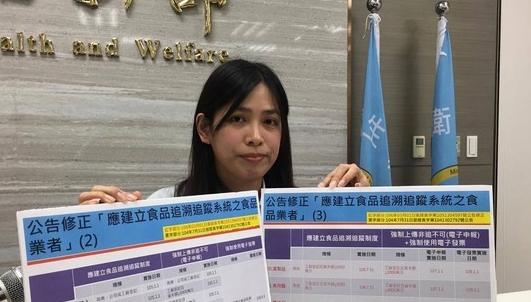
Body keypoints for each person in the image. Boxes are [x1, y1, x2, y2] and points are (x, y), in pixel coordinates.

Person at [79, 59, 368, 205]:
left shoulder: (300, 211)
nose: (256, 137)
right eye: (238, 118)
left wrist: (362, 202)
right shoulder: (164, 206)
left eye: (270, 122)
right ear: (205, 129)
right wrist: (98, 230)